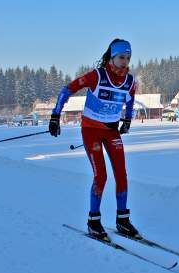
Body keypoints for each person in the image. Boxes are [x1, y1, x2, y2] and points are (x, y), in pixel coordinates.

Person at [49, 39, 141, 241]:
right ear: (111, 57)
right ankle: (93, 221)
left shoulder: (130, 81)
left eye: (128, 58)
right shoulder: (97, 76)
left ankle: (122, 220)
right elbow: (67, 89)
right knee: (101, 176)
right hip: (91, 130)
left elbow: (130, 100)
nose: (125, 62)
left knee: (122, 174)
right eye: (121, 58)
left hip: (111, 131)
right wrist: (55, 116)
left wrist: (126, 120)